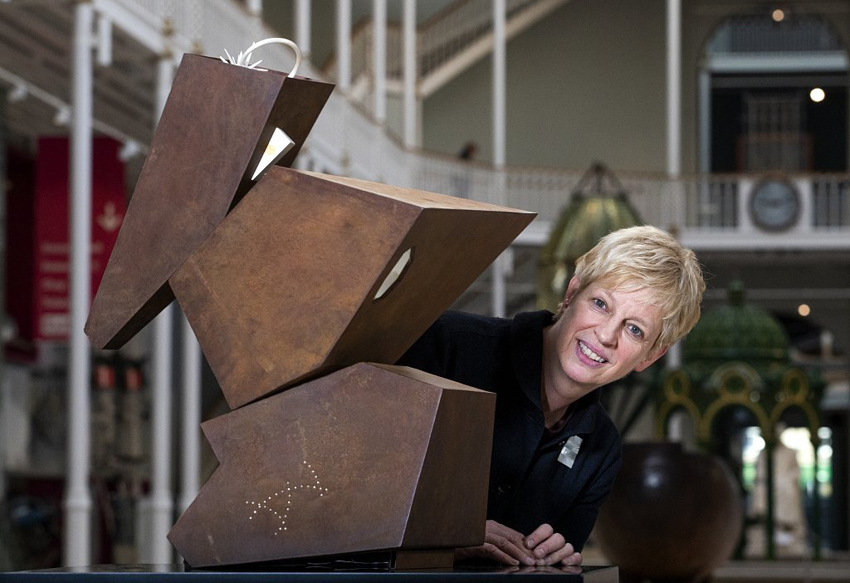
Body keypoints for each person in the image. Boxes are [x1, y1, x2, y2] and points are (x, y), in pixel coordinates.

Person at [397, 225, 705, 568]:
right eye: (601, 304)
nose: (605, 335)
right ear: (572, 294)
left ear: (649, 357)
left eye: (634, 329)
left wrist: (555, 563)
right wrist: (442, 534)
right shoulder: (442, 346)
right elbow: (336, 493)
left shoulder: (601, 452)